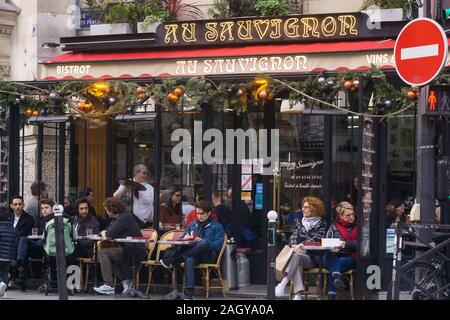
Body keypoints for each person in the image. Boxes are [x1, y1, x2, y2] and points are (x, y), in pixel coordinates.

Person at [160, 200, 225, 300]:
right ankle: (190, 293)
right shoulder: (192, 225)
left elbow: (218, 246)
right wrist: (185, 238)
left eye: (202, 213)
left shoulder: (217, 226)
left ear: (209, 213)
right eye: (197, 213)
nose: (199, 216)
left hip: (208, 256)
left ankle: (177, 258)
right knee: (189, 259)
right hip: (194, 254)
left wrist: (201, 241)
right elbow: (181, 239)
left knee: (204, 242)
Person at [275, 196, 327, 300]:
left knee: (296, 257)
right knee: (297, 261)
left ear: (314, 209)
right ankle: (298, 295)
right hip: (298, 254)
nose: (303, 209)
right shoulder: (300, 222)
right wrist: (295, 245)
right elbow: (293, 237)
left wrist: (302, 244)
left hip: (313, 257)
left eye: (306, 207)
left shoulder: (322, 223)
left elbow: (317, 239)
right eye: (303, 207)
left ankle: (283, 283)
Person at [94, 198, 146, 296]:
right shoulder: (120, 218)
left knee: (103, 253)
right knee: (104, 256)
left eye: (106, 209)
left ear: (111, 209)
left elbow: (109, 233)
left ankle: (108, 285)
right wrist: (106, 232)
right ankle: (126, 280)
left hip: (134, 250)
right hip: (128, 248)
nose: (106, 212)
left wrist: (105, 232)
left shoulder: (125, 218)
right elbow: (109, 231)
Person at [323, 201, 357, 300]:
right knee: (330, 256)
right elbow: (327, 243)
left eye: (352, 214)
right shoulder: (333, 227)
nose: (351, 217)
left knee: (336, 265)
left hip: (349, 257)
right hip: (332, 255)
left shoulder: (359, 227)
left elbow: (363, 244)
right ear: (341, 216)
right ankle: (337, 276)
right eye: (348, 215)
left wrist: (345, 243)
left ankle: (331, 296)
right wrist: (333, 247)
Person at [41, 198, 78, 289]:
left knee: (50, 261)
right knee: (75, 257)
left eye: (47, 207)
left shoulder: (48, 223)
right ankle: (73, 284)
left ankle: (52, 282)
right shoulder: (68, 221)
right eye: (42, 208)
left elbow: (43, 239)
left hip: (51, 254)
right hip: (67, 253)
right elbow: (74, 237)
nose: (44, 210)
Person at [113, 164, 154, 229]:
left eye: (146, 174)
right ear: (136, 173)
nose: (145, 176)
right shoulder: (127, 183)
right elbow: (115, 196)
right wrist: (125, 190)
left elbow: (152, 202)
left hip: (146, 221)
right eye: (143, 173)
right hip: (132, 219)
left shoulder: (149, 187)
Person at [9, 196, 34, 291]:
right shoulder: (8, 217)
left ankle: (22, 282)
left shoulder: (29, 218)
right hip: (10, 245)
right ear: (11, 206)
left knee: (23, 251)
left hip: (22, 245)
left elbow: (24, 233)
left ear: (23, 205)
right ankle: (6, 279)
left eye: (20, 204)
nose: (18, 206)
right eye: (15, 204)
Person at [0, 207, 18, 298]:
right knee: (5, 272)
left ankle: (1, 284)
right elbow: (15, 242)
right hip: (8, 256)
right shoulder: (13, 228)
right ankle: (3, 289)